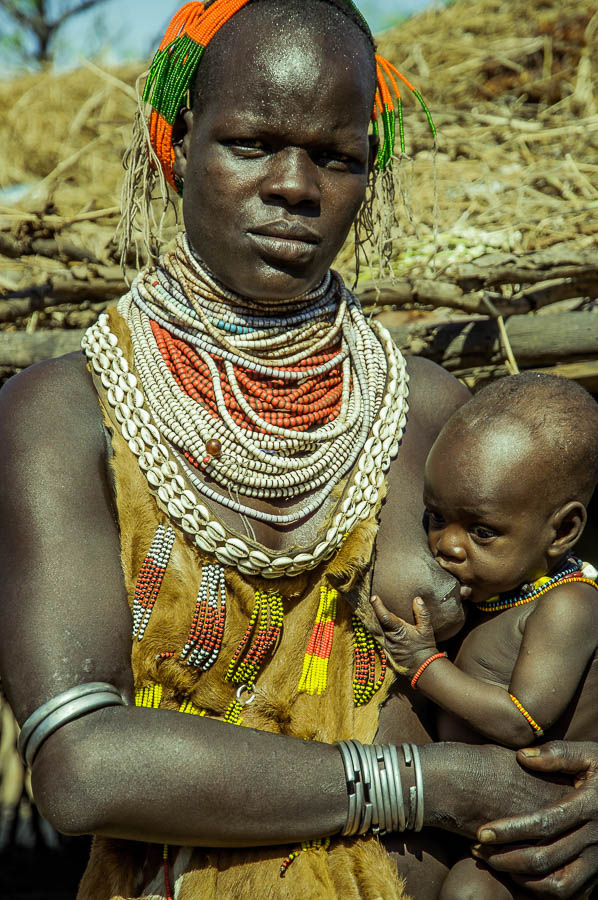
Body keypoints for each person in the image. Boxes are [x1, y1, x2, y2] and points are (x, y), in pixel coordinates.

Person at [2, 2, 598, 898]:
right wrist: (430, 787)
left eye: (336, 156)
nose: (294, 185)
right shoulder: (64, 414)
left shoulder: (436, 412)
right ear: (177, 144)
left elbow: (562, 631)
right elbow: (84, 766)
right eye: (251, 143)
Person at [371, 373, 598, 898]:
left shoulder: (568, 605)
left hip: (539, 821)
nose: (447, 545)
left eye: (481, 530)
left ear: (562, 531)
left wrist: (426, 666)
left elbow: (523, 720)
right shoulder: (501, 591)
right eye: (435, 516)